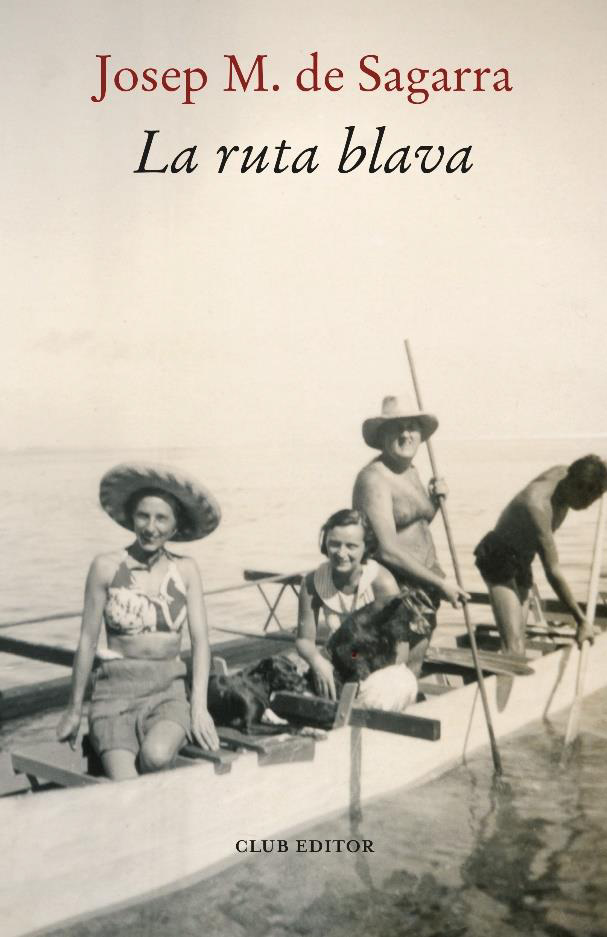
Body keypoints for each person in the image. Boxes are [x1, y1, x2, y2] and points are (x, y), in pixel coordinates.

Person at [56, 462, 221, 779]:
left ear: (175, 527)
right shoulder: (105, 567)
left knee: (155, 757)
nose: (150, 527)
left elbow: (201, 642)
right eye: (143, 516)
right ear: (132, 518)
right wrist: (74, 710)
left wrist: (199, 708)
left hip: (168, 691)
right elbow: (87, 641)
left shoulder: (186, 570)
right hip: (114, 694)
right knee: (126, 785)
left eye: (161, 518)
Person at [353, 395, 468, 675]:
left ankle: (409, 699)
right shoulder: (374, 478)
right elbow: (386, 549)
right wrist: (441, 584)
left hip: (424, 581)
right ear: (382, 436)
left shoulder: (411, 470)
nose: (406, 434)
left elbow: (415, 525)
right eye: (397, 428)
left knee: (414, 663)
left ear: (421, 434)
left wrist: (436, 501)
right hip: (397, 588)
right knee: (396, 667)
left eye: (412, 427)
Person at [474, 455, 607, 654]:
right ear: (571, 482)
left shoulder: (569, 473)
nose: (587, 504)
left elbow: (593, 472)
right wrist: (581, 621)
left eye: (593, 498)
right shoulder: (537, 506)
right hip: (497, 557)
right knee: (514, 647)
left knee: (519, 640)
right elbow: (553, 571)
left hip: (523, 560)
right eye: (583, 497)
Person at [296, 508, 410, 700]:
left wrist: (368, 676)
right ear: (325, 543)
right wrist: (318, 662)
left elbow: (401, 650)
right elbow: (304, 640)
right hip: (339, 660)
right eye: (334, 544)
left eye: (351, 546)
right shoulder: (312, 582)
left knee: (393, 689)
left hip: (380, 664)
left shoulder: (382, 582)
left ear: (366, 547)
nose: (341, 553)